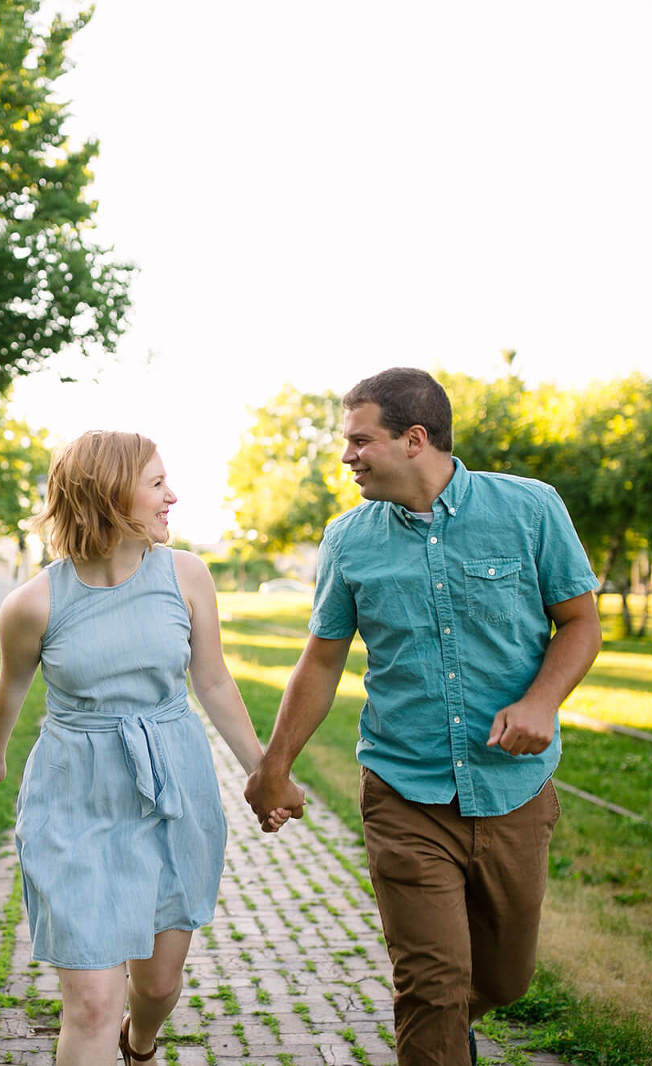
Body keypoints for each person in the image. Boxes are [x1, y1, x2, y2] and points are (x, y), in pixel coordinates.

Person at [244, 368, 601, 1066]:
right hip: (404, 792)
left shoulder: (530, 509)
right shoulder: (349, 540)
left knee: (502, 979)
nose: (347, 457)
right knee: (432, 988)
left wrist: (541, 702)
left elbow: (581, 622)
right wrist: (274, 763)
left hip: (512, 791)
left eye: (359, 440)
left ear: (414, 439)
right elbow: (321, 662)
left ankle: (448, 1033)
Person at [0, 430, 287, 1066]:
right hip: (75, 795)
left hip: (173, 784)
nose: (174, 495)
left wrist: (265, 772)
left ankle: (139, 1042)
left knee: (158, 984)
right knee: (89, 1004)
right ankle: (105, 1032)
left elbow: (214, 680)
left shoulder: (187, 575)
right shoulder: (31, 605)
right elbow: (10, 692)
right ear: (111, 495)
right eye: (157, 483)